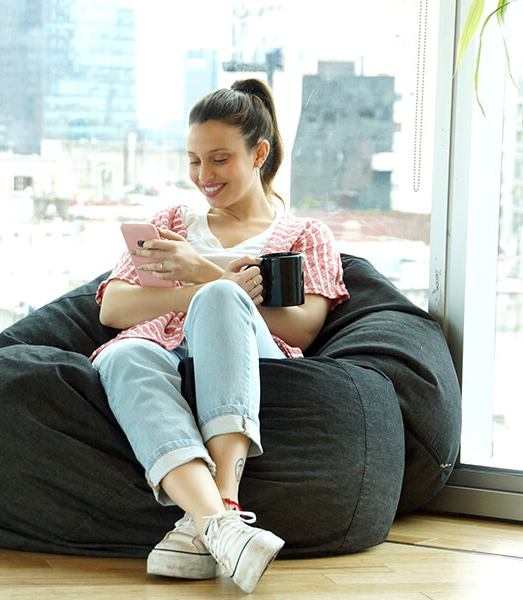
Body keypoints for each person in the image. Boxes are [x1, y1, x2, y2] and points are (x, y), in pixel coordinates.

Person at [91, 78, 349, 594]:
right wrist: (199, 282)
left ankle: (222, 501)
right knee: (121, 359)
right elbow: (115, 308)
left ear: (259, 154)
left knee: (221, 299)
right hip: (160, 347)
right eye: (194, 161)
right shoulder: (169, 222)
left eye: (219, 159)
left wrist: (208, 276)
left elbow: (303, 327)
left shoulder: (304, 235)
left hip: (249, 355)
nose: (203, 176)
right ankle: (219, 524)